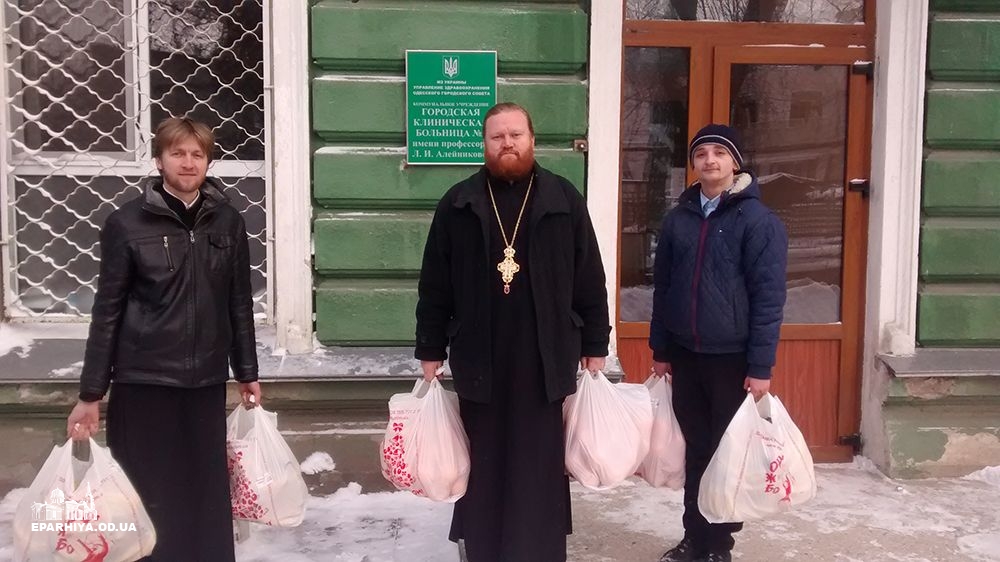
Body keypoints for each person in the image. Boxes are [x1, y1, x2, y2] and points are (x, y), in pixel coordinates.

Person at [414, 102, 610, 561]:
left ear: (532, 139)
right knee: (484, 462)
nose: (508, 143)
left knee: (538, 465)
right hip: (480, 359)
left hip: (544, 359)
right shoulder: (458, 203)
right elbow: (435, 283)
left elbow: (589, 277)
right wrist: (430, 346)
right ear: (484, 144)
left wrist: (596, 343)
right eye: (497, 136)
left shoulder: (562, 199)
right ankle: (484, 550)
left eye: (516, 135)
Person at [65, 117, 260, 561]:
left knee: (204, 495)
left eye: (197, 154)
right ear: (159, 160)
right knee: (147, 494)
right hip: (143, 381)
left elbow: (238, 302)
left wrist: (246, 371)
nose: (188, 163)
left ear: (208, 162)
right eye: (178, 153)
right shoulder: (126, 223)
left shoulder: (228, 222)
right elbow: (108, 310)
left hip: (205, 381)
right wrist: (91, 393)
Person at [649, 124, 788, 562]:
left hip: (732, 360)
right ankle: (693, 537)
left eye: (719, 153)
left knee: (725, 456)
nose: (710, 160)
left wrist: (760, 366)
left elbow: (768, 298)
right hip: (686, 356)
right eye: (701, 153)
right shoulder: (679, 220)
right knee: (696, 453)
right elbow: (663, 288)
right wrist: (661, 350)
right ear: (693, 164)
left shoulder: (758, 221)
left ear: (735, 163)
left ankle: (718, 545)